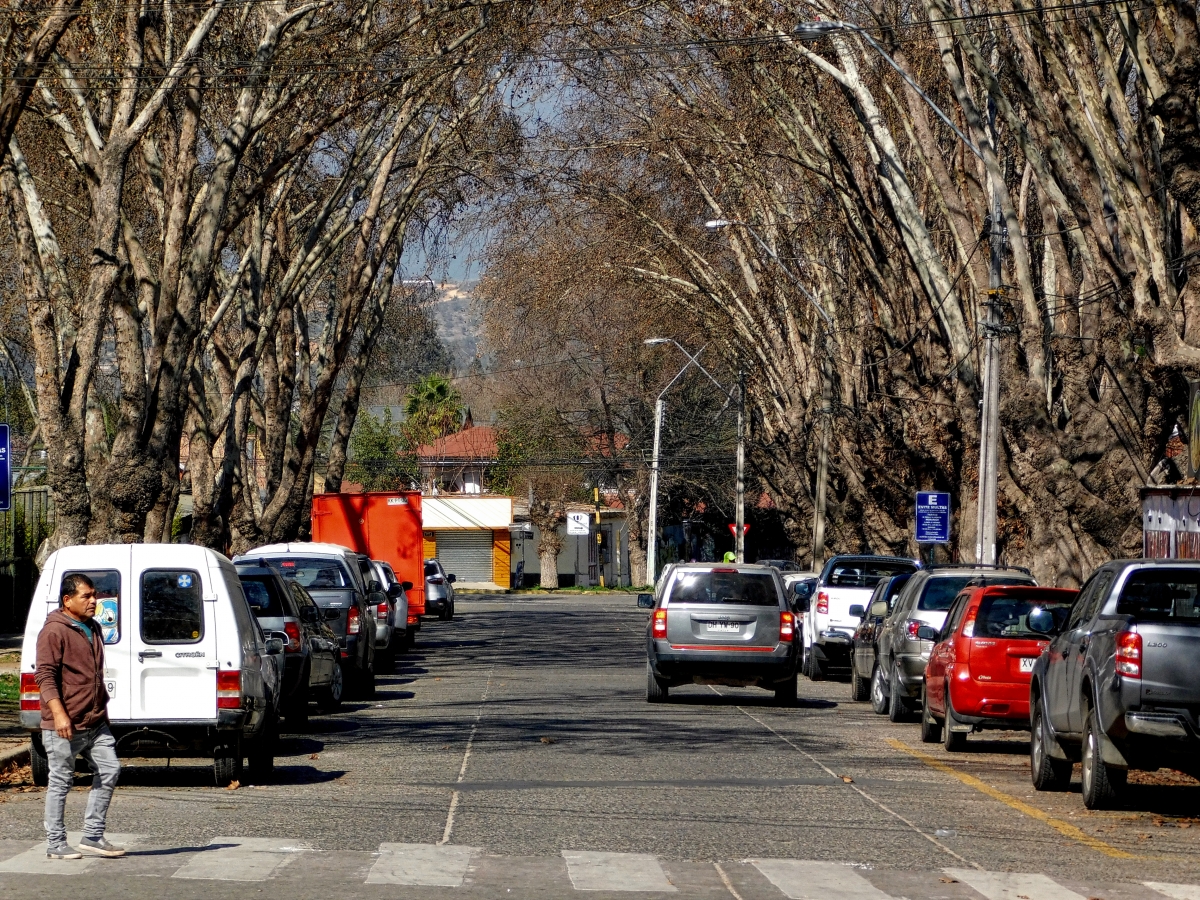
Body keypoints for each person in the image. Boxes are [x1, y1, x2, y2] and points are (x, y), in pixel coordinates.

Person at [35, 573, 124, 860]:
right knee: (61, 781)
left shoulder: (93, 627)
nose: (93, 601)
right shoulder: (53, 631)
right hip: (64, 723)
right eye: (86, 596)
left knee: (109, 769)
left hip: (95, 721)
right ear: (67, 600)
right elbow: (45, 676)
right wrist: (59, 715)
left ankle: (93, 835)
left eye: (94, 595)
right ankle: (55, 843)